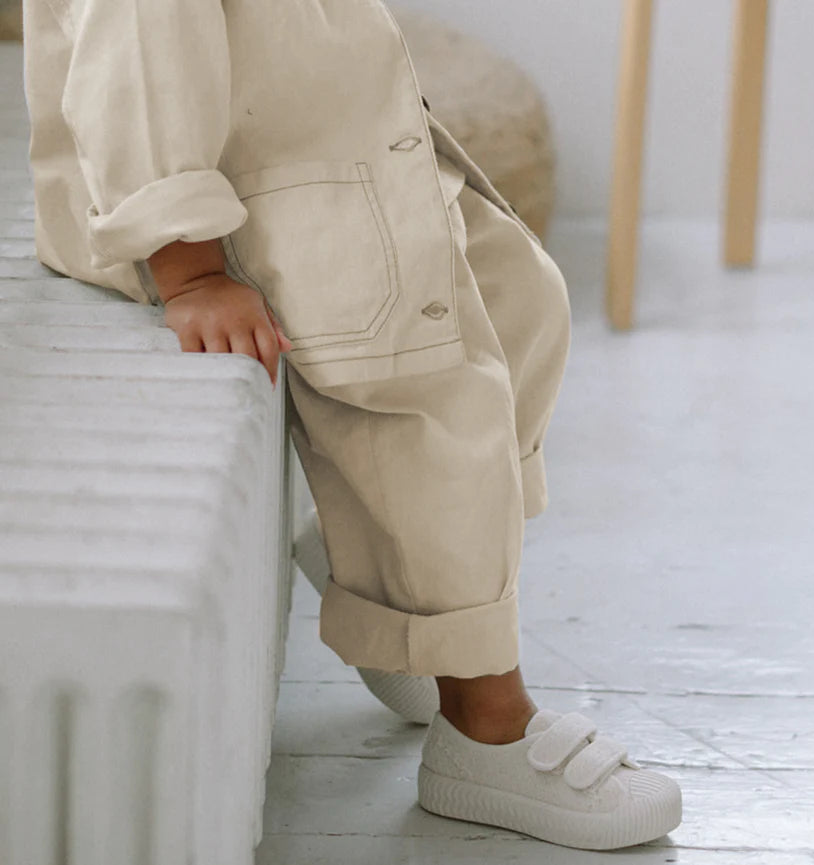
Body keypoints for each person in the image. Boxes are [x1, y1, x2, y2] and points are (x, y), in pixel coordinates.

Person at [22, 0, 682, 850]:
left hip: (343, 145)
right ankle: (483, 726)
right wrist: (189, 268)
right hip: (233, 196)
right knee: (428, 397)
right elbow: (137, 69)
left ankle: (391, 576)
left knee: (521, 299)